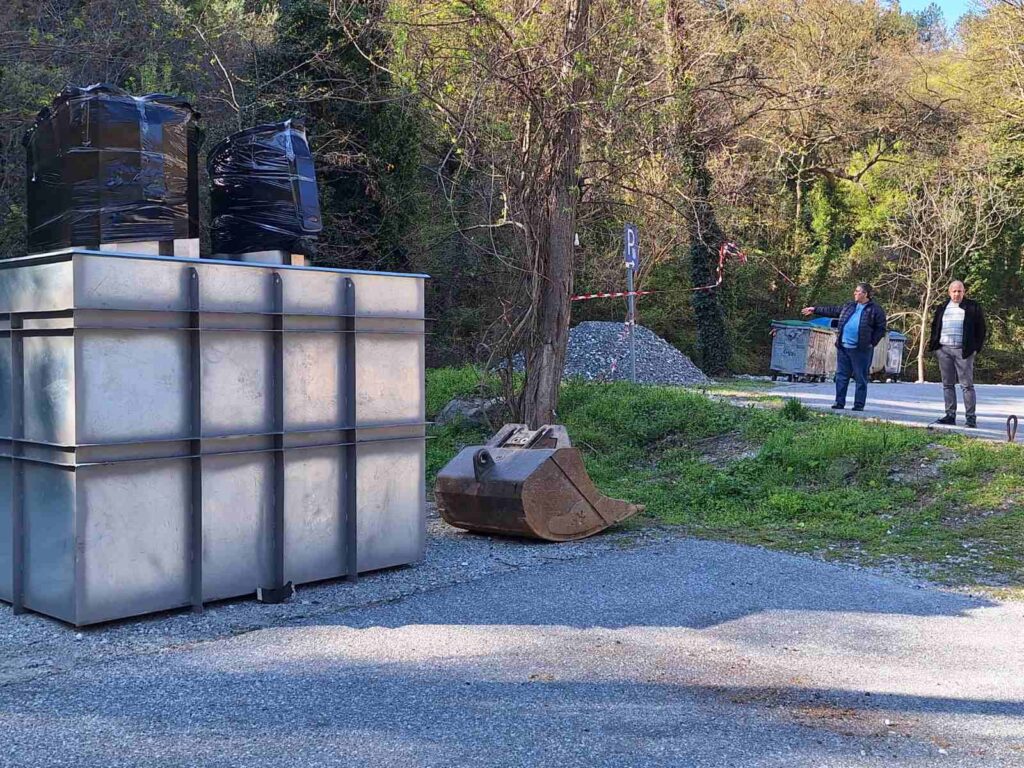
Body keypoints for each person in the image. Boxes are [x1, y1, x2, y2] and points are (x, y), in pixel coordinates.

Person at [801, 283, 887, 411]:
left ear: (865, 294)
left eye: (857, 291)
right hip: (844, 348)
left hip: (861, 350)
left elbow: (881, 329)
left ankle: (858, 405)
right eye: (855, 291)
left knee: (860, 377)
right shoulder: (849, 306)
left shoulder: (875, 310)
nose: (855, 293)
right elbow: (832, 310)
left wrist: (871, 343)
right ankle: (839, 402)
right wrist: (814, 309)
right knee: (841, 376)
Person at [927, 280, 986, 428]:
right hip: (944, 350)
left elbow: (981, 329)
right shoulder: (942, 307)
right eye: (954, 291)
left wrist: (974, 349)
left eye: (959, 291)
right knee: (947, 384)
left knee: (967, 385)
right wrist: (936, 346)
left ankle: (970, 417)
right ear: (949, 292)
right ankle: (950, 415)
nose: (957, 294)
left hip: (963, 351)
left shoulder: (972, 307)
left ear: (964, 292)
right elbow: (935, 326)